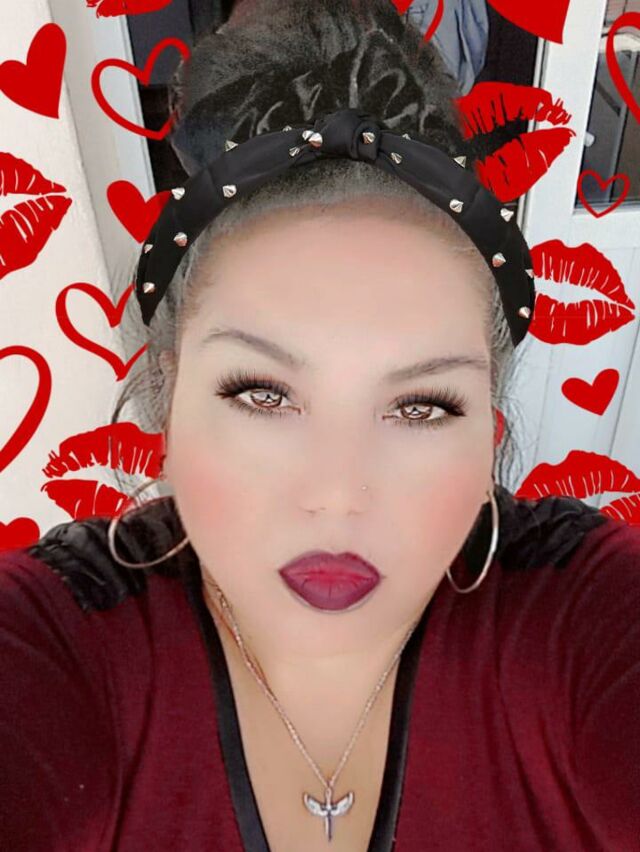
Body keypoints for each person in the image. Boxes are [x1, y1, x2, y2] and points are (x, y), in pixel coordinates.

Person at [1, 1, 638, 850]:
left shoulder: (577, 611)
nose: (338, 494)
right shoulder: (61, 638)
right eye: (263, 395)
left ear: (490, 426)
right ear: (167, 395)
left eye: (421, 406)